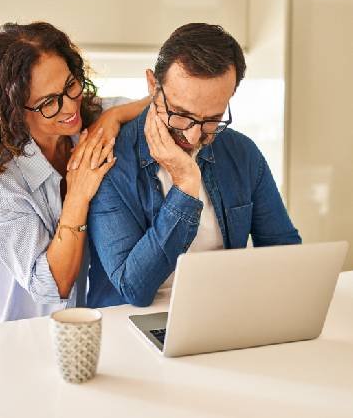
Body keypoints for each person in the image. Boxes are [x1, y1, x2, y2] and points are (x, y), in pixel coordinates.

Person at [0, 22, 148, 326]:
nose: (69, 107)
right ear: (12, 113)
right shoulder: (0, 182)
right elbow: (54, 285)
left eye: (70, 85)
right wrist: (78, 193)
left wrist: (114, 116)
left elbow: (162, 106)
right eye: (49, 102)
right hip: (10, 327)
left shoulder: (88, 119)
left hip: (75, 325)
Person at [87, 23, 302, 308]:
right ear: (153, 86)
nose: (193, 136)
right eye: (181, 114)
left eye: (212, 118)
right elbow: (133, 288)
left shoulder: (242, 153)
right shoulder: (109, 159)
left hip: (222, 313)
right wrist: (185, 186)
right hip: (130, 324)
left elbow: (284, 253)